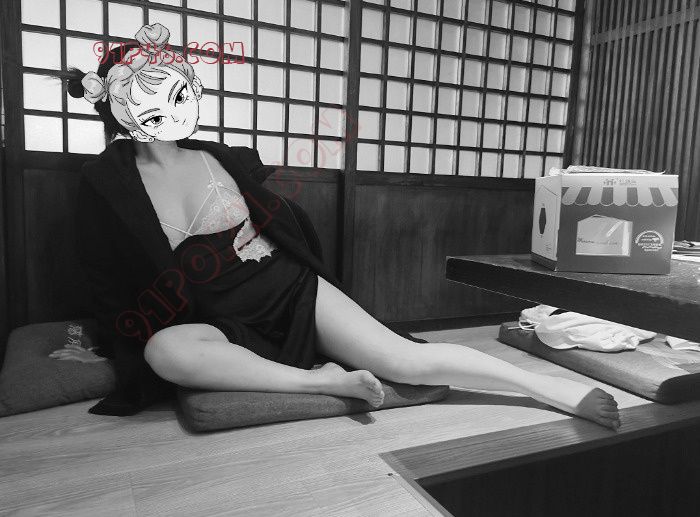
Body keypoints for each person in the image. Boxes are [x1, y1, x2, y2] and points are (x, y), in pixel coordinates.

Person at [60, 23, 621, 429]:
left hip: (288, 289)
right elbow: (100, 270)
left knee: (403, 361)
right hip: (215, 319)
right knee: (165, 351)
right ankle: (320, 382)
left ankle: (545, 387)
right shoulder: (105, 182)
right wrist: (110, 338)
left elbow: (283, 224)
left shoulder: (223, 158)